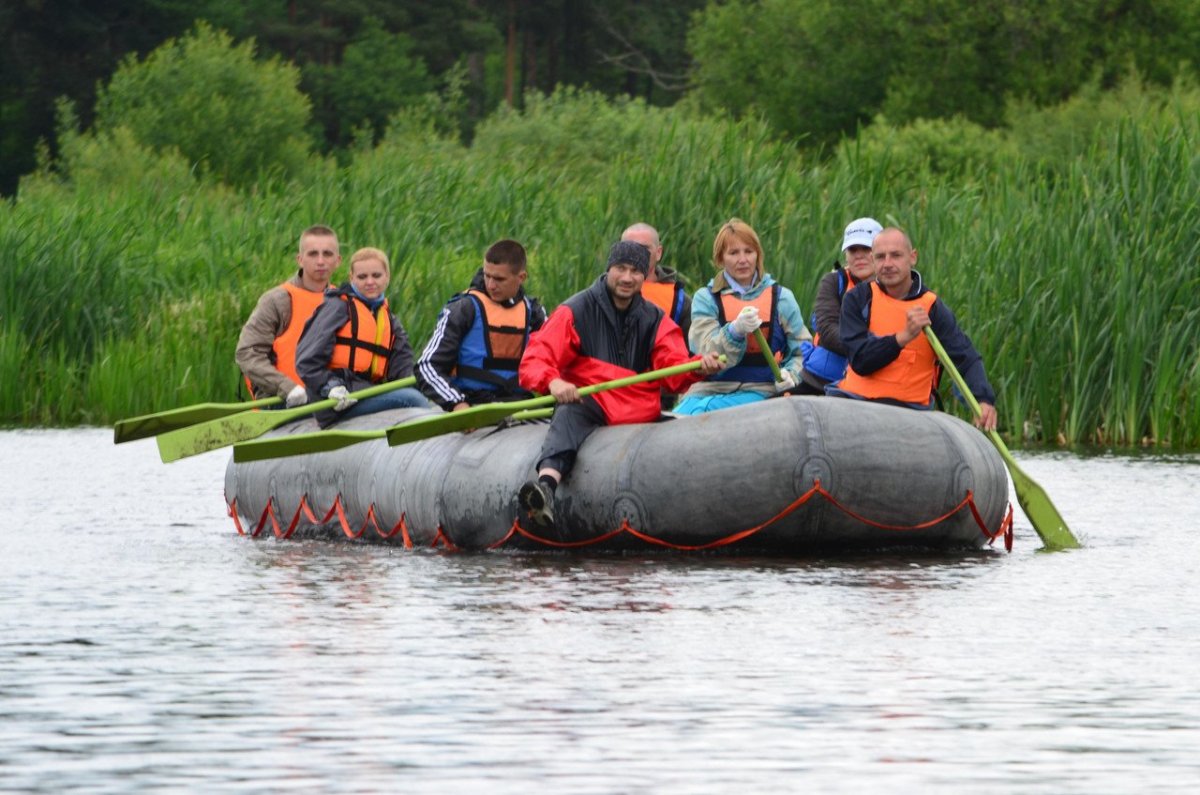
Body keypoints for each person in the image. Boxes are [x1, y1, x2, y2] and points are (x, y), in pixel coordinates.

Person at [516, 240, 723, 531]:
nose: (627, 278)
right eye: (621, 269)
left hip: (638, 407)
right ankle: (546, 487)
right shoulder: (575, 310)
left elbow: (673, 368)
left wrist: (699, 366)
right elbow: (537, 357)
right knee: (567, 414)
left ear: (644, 276)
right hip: (591, 400)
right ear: (609, 269)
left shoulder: (655, 319)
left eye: (635, 271)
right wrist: (554, 381)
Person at [828, 227, 998, 431]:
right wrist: (903, 337)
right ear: (873, 261)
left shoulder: (933, 308)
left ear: (912, 257)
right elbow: (861, 360)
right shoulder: (857, 299)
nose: (888, 264)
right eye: (881, 257)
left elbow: (965, 358)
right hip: (856, 402)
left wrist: (983, 399)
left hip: (911, 412)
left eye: (896, 256)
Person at [672, 218, 812, 415]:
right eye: (733, 253)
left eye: (749, 251)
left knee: (703, 412)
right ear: (720, 259)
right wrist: (734, 331)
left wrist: (792, 376)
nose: (743, 260)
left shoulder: (782, 297)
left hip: (762, 389)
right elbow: (704, 351)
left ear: (758, 255)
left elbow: (801, 351)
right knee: (682, 415)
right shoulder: (706, 298)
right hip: (709, 390)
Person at [295, 247, 429, 426]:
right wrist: (330, 386)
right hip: (336, 402)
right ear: (351, 278)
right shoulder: (337, 307)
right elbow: (306, 361)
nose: (370, 282)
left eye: (376, 275)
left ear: (387, 277)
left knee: (423, 395)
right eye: (362, 277)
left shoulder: (388, 319)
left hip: (365, 393)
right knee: (411, 399)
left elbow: (403, 370)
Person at [415, 239, 547, 411]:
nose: (491, 285)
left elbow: (558, 360)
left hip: (519, 402)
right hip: (473, 402)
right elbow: (427, 366)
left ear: (521, 277)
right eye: (487, 276)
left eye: (499, 279)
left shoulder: (535, 313)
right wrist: (457, 403)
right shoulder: (463, 308)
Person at [235, 224, 341, 407]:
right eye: (313, 254)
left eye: (328, 254)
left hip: (334, 399)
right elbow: (247, 353)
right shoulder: (277, 301)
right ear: (300, 259)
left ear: (338, 261)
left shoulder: (344, 301)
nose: (321, 261)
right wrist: (288, 388)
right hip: (285, 401)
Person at [796, 217, 882, 395]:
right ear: (846, 255)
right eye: (852, 249)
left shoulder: (896, 288)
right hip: (820, 380)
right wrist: (867, 350)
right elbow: (827, 330)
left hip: (871, 385)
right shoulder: (834, 282)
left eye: (866, 249)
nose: (858, 255)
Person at [621, 222, 693, 409]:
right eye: (630, 248)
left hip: (661, 398)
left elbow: (690, 356)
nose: (636, 255)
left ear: (658, 253)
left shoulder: (680, 301)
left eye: (644, 249)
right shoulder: (598, 295)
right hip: (614, 393)